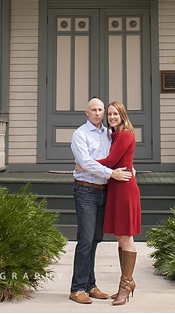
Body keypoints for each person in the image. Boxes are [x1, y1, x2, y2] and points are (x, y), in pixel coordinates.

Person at [69, 97, 134, 305]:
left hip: (105, 191)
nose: (98, 113)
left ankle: (90, 285)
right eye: (94, 110)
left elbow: (117, 158)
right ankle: (77, 288)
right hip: (86, 191)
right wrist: (111, 173)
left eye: (100, 110)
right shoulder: (80, 134)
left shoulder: (110, 134)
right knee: (85, 239)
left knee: (96, 239)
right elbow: (85, 162)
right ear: (87, 113)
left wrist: (128, 168)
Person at [97, 101, 143, 305]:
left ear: (123, 115)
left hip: (125, 189)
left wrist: (85, 163)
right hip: (116, 187)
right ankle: (127, 282)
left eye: (115, 114)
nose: (112, 117)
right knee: (120, 237)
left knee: (126, 237)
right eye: (109, 114)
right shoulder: (114, 135)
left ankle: (125, 286)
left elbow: (111, 160)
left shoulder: (125, 134)